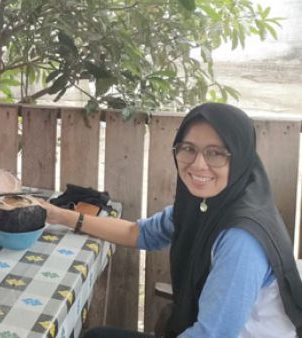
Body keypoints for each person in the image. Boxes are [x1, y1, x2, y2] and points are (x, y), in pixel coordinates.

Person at [39, 103, 302, 338]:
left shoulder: (241, 239)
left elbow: (213, 334)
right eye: (188, 149)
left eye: (216, 153)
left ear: (241, 157)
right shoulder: (204, 204)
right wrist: (60, 215)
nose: (198, 165)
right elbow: (139, 233)